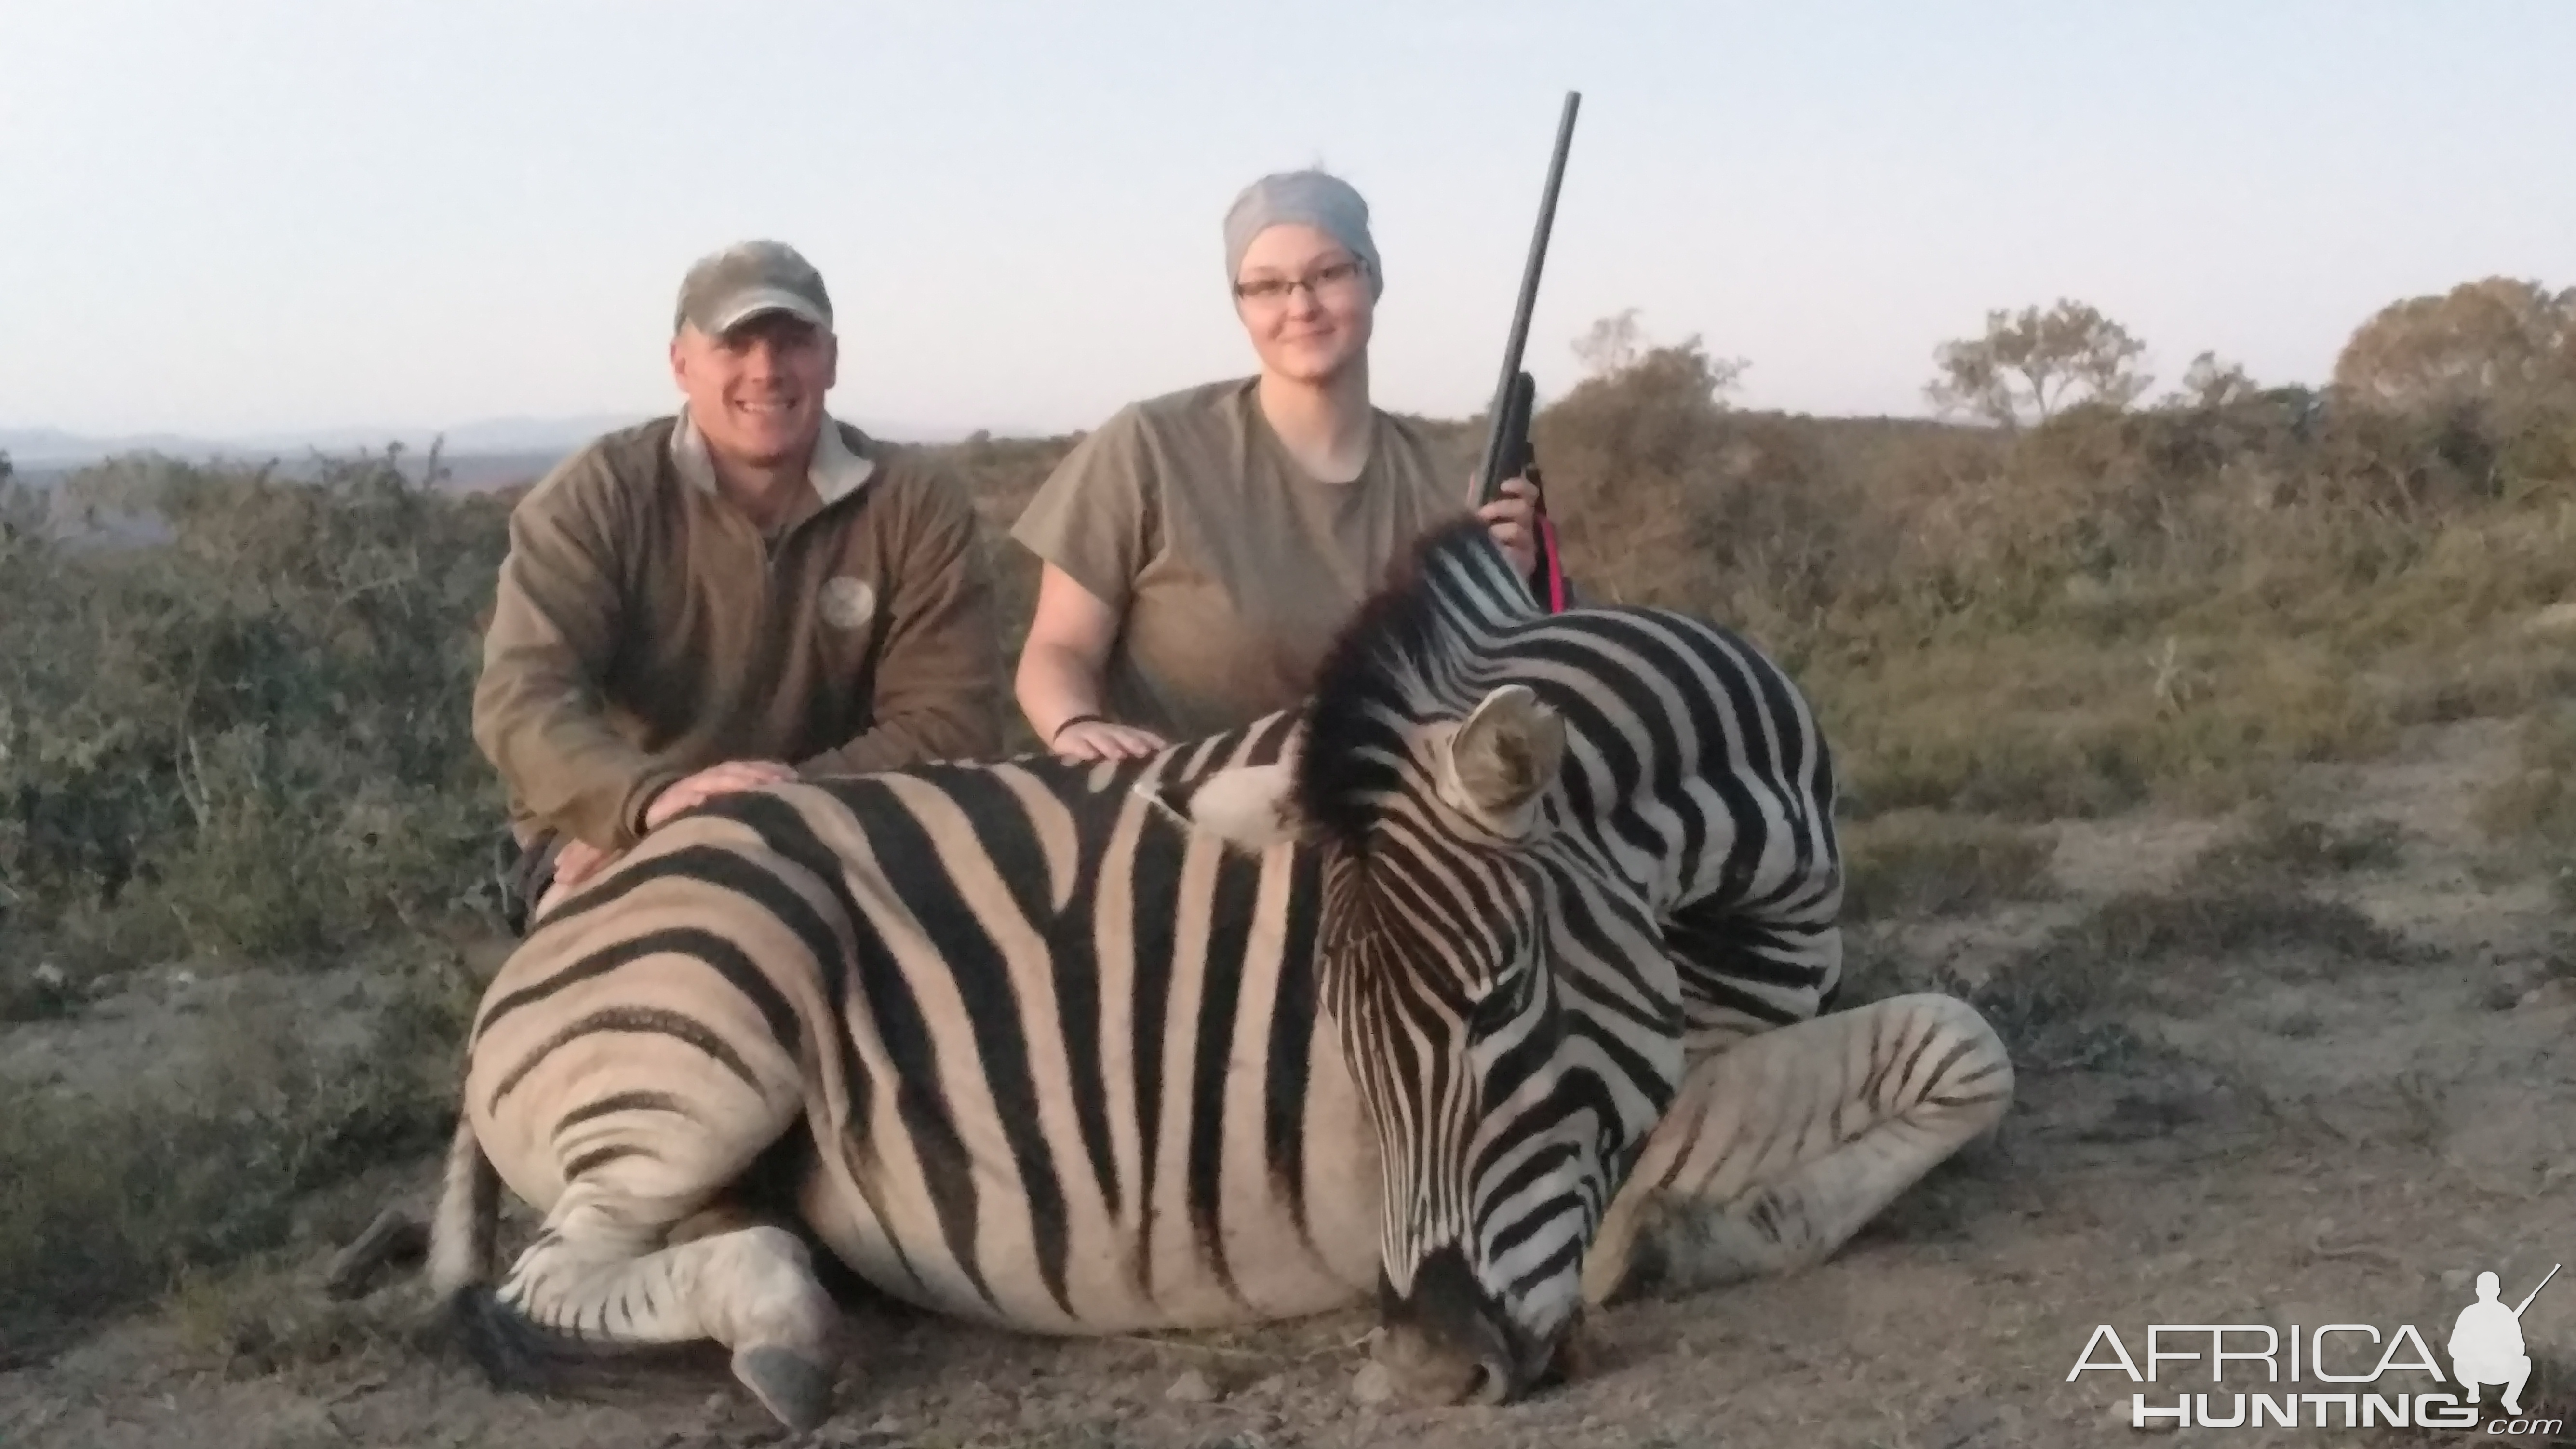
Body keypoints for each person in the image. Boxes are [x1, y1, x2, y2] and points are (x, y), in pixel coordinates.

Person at [474, 239, 1006, 933]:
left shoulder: (915, 501)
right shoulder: (596, 494)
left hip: (843, 821)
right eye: (736, 344)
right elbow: (522, 698)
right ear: (681, 364)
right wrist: (644, 800)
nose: (767, 369)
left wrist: (753, 808)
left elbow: (951, 721)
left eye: (793, 342)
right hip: (616, 829)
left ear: (832, 359)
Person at [1009, 169, 1554, 761]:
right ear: (1239, 305)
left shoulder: (1454, 486)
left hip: (1379, 839)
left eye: (1328, 273)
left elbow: (1484, 704)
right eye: (1266, 286)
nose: (1301, 306)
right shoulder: (1147, 447)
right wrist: (1074, 725)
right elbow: (1059, 649)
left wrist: (1507, 594)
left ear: (1371, 279)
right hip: (1166, 824)